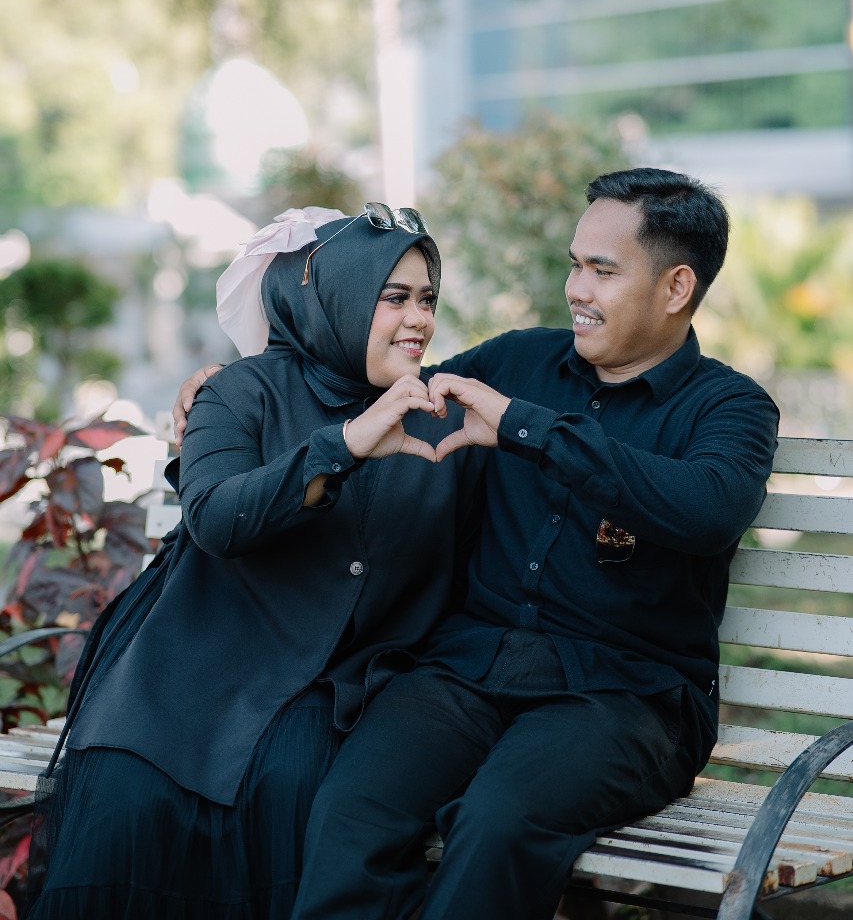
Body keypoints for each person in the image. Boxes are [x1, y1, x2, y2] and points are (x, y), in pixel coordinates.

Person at [174, 169, 780, 920]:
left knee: (497, 823)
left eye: (602, 271)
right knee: (352, 809)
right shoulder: (518, 361)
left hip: (626, 697)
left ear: (676, 286)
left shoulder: (730, 407)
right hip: (465, 672)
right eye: (574, 265)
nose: (576, 290)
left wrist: (529, 428)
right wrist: (239, 393)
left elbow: (706, 509)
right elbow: (372, 393)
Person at [26, 205, 485, 920]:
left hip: (336, 685)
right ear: (334, 298)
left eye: (427, 299)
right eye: (393, 297)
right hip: (195, 662)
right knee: (130, 796)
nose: (418, 319)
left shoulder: (445, 415)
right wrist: (344, 445)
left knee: (294, 785)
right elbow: (216, 516)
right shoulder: (240, 392)